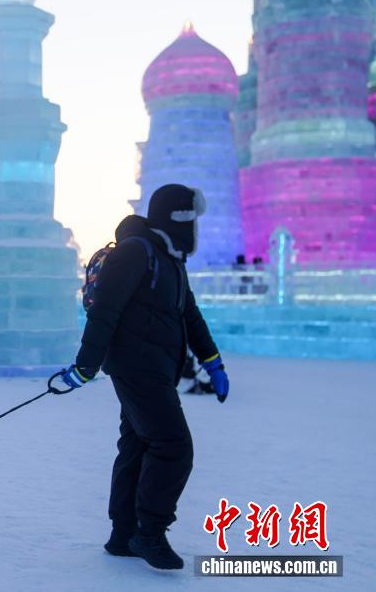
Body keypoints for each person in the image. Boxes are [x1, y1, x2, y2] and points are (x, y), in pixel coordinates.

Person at [61, 184, 230, 570]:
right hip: (136, 367)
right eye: (192, 220)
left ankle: (123, 534)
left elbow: (190, 315)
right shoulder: (136, 252)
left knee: (138, 446)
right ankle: (149, 532)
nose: (196, 229)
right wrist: (86, 365)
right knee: (173, 446)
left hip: (157, 368)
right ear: (178, 218)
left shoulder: (170, 260)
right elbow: (104, 311)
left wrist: (213, 362)